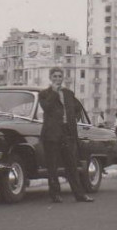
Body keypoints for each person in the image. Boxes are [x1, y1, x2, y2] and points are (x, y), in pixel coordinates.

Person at [37, 67, 93, 203]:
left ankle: (79, 195)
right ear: (50, 78)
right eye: (55, 76)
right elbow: (47, 107)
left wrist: (73, 120)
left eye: (59, 76)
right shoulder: (44, 94)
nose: (57, 79)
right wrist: (55, 93)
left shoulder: (68, 93)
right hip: (51, 134)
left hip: (67, 133)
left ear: (62, 78)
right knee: (53, 166)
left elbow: (78, 108)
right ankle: (55, 194)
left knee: (72, 165)